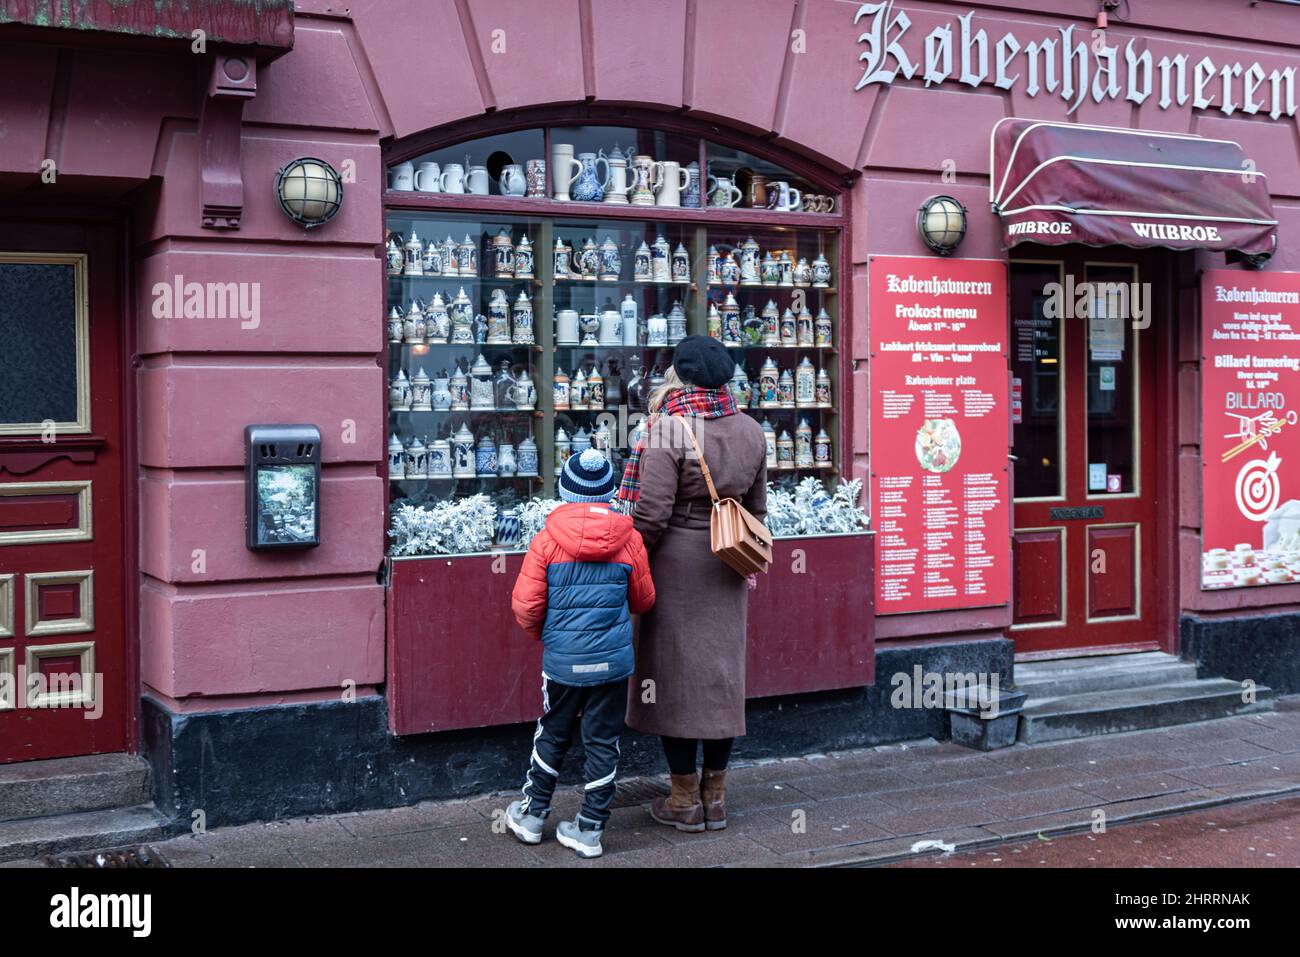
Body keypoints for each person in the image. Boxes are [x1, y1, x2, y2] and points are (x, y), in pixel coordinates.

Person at [616, 335, 767, 832]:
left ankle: (683, 800)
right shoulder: (750, 430)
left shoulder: (667, 430)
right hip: (728, 562)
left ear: (677, 377)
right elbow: (758, 510)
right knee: (721, 679)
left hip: (676, 568)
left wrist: (627, 562)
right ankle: (715, 797)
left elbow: (651, 516)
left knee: (674, 680)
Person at [506, 447, 656, 858]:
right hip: (612, 664)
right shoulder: (630, 540)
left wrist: (554, 638)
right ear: (608, 493)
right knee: (603, 740)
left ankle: (533, 815)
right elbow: (644, 600)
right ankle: (589, 828)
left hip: (563, 662)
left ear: (566, 492)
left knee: (553, 732)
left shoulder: (546, 541)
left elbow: (526, 607)